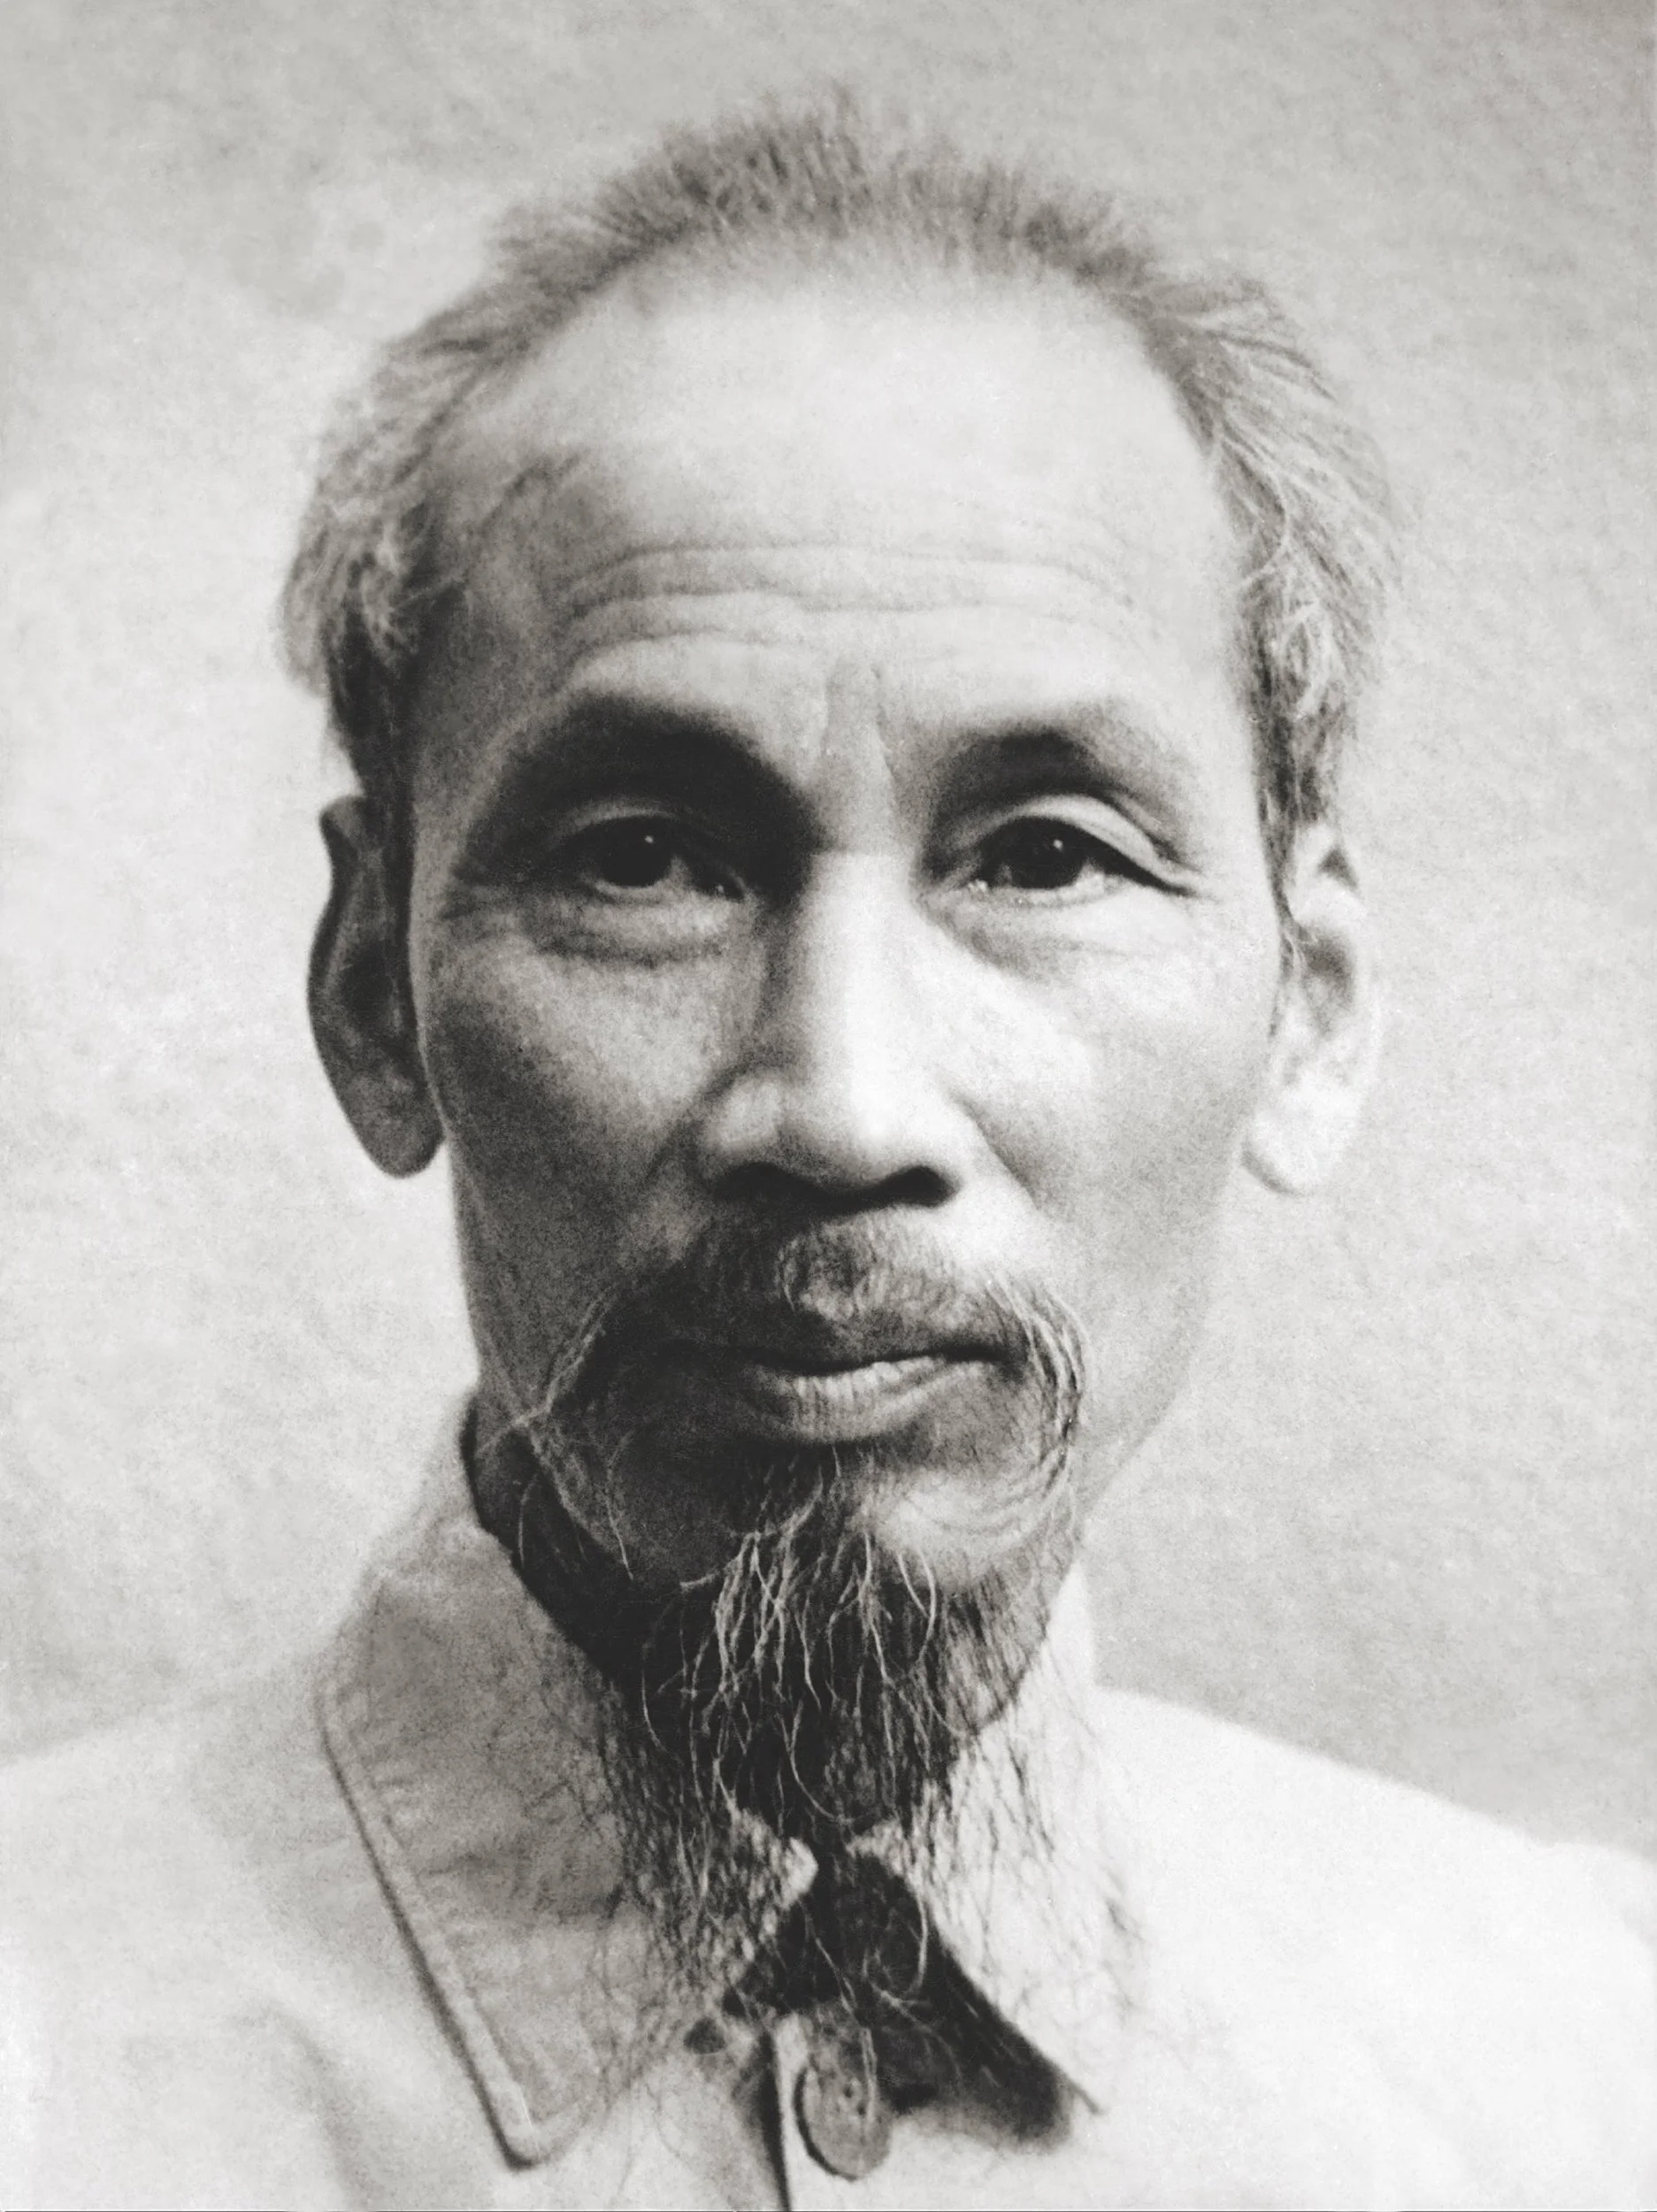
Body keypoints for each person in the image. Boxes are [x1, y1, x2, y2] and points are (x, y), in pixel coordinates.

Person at [2, 99, 1651, 2211]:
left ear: (1307, 1007)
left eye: (1047, 854)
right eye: (644, 861)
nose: (846, 1106)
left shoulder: (1584, 2078)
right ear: (370, 993)